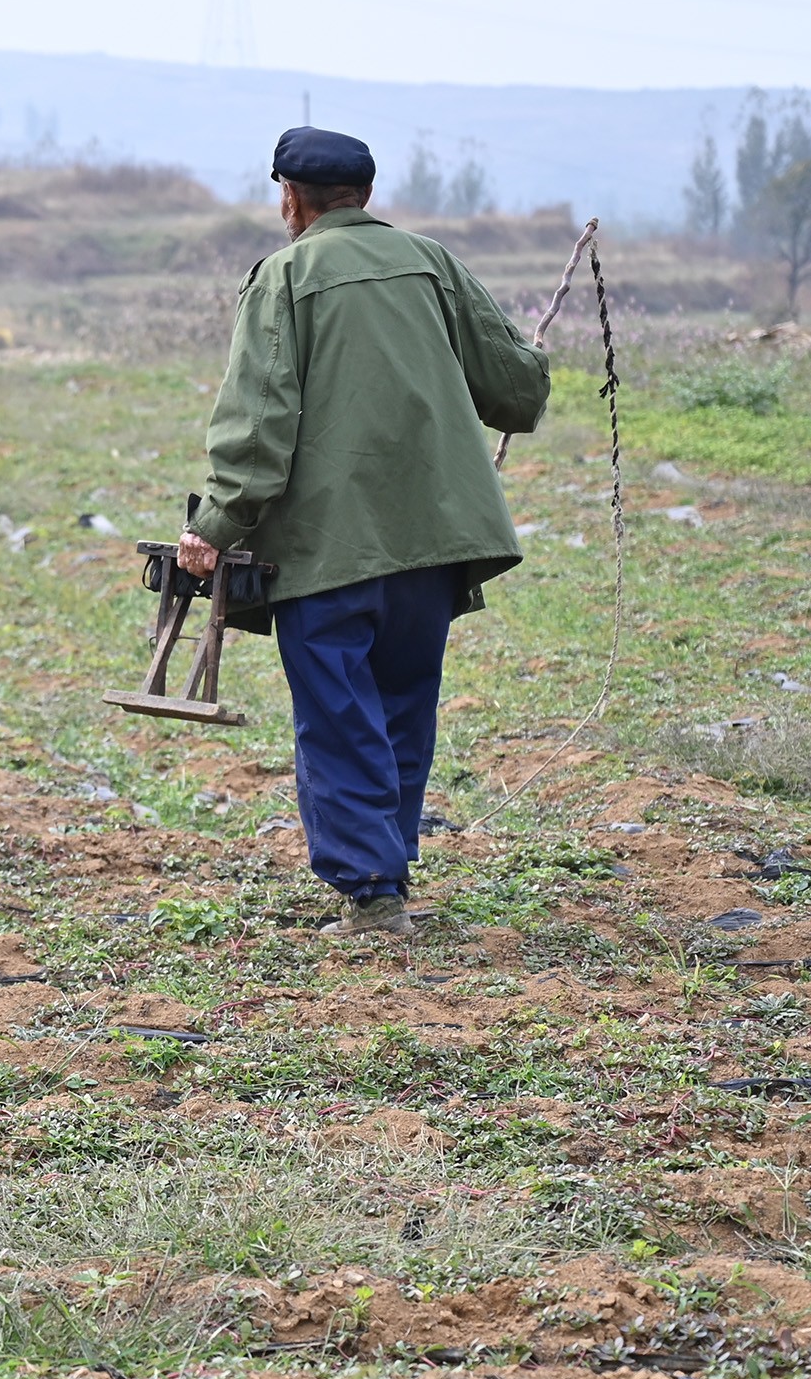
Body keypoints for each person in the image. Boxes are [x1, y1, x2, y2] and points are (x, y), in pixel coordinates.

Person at [176, 126, 548, 937]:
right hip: (433, 545)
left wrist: (214, 524)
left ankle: (374, 894)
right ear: (367, 196)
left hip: (328, 552)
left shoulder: (283, 277)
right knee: (401, 706)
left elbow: (260, 424)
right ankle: (388, 875)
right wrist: (530, 357)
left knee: (341, 717)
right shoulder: (433, 262)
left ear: (290, 199)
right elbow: (516, 391)